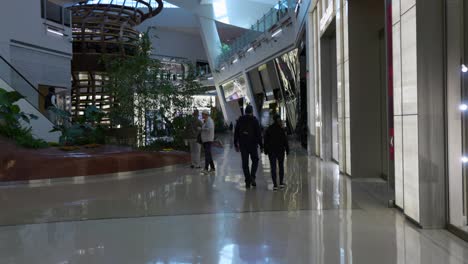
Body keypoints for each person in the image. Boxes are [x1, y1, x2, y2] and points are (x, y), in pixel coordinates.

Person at [234, 105, 263, 189]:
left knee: (245, 163)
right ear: (252, 111)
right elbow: (258, 134)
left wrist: (236, 143)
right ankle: (252, 176)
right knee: (255, 160)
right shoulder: (254, 120)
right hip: (253, 144)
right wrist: (261, 145)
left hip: (243, 145)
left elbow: (236, 132)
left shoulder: (240, 119)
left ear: (245, 111)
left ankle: (247, 181)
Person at [264, 114, 289, 191]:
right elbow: (285, 140)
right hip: (280, 150)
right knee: (281, 166)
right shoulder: (281, 129)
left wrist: (265, 150)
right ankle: (281, 183)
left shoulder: (269, 129)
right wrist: (287, 149)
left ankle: (275, 184)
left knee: (273, 167)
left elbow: (266, 141)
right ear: (278, 120)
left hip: (272, 151)